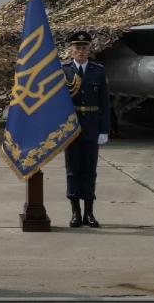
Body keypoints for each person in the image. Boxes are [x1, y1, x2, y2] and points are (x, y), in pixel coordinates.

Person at [61, 30, 110, 228]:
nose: (81, 51)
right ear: (71, 50)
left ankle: (89, 213)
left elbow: (105, 103)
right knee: (73, 170)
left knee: (90, 171)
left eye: (84, 48)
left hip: (91, 126)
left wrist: (104, 130)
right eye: (77, 47)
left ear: (89, 49)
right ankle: (75, 213)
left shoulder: (98, 70)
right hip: (71, 127)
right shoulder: (64, 70)